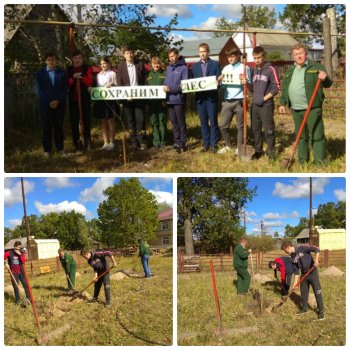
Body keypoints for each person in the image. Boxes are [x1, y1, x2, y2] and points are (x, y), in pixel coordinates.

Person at [279, 43, 332, 164]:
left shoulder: (316, 67)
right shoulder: (290, 71)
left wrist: (325, 78)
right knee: (301, 136)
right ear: (293, 56)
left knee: (316, 135)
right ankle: (302, 160)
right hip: (296, 109)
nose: (299, 56)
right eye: (296, 54)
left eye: (301, 53)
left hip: (312, 107)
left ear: (306, 53)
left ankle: (320, 161)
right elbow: (285, 88)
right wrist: (283, 103)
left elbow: (328, 84)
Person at [248, 46, 280, 160]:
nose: (257, 60)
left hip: (266, 105)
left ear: (264, 56)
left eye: (259, 57)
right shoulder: (253, 70)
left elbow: (276, 88)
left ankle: (271, 153)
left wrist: (264, 98)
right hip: (254, 105)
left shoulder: (271, 69)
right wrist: (245, 83)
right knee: (255, 130)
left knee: (269, 130)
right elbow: (252, 89)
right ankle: (258, 151)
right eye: (255, 58)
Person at [217, 48, 251, 155]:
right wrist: (219, 81)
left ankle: (239, 147)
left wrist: (244, 81)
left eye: (232, 56)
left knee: (240, 126)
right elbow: (223, 86)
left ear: (238, 56)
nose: (230, 58)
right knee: (223, 125)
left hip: (240, 100)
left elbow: (249, 83)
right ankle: (228, 145)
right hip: (227, 101)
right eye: (228, 56)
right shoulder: (226, 68)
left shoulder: (245, 67)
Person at [35, 52, 68, 157]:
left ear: (56, 61)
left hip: (59, 105)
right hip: (45, 105)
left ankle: (60, 149)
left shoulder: (61, 73)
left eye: (53, 59)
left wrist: (58, 101)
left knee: (59, 127)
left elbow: (65, 89)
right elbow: (39, 90)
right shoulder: (40, 73)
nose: (51, 62)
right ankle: (47, 150)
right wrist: (49, 102)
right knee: (46, 128)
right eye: (49, 59)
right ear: (45, 61)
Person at [281, 241, 324, 320]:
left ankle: (321, 311)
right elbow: (296, 271)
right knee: (304, 292)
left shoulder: (302, 247)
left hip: (312, 272)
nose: (285, 252)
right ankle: (304, 308)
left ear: (288, 247)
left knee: (317, 291)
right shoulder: (292, 257)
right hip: (304, 274)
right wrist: (295, 283)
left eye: (285, 250)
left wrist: (316, 260)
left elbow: (317, 249)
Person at [191, 43, 221, 152]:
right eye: (200, 52)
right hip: (200, 98)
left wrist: (218, 82)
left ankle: (214, 144)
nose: (202, 54)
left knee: (213, 121)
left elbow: (219, 79)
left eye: (204, 51)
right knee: (203, 122)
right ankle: (206, 144)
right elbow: (191, 82)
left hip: (211, 97)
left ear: (208, 52)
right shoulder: (194, 66)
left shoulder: (215, 64)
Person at [117, 46, 147, 151]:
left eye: (131, 53)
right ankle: (134, 143)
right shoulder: (120, 68)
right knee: (130, 122)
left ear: (133, 54)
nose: (129, 55)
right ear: (124, 55)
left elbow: (144, 81)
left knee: (141, 120)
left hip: (139, 97)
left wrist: (145, 96)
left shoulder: (140, 65)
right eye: (127, 53)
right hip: (127, 99)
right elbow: (119, 84)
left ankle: (142, 141)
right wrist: (125, 97)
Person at [163, 48, 189, 153]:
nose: (171, 58)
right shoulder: (168, 68)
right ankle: (176, 142)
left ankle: (183, 143)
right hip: (169, 100)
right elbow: (166, 82)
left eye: (173, 56)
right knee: (174, 122)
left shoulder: (184, 68)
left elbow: (185, 85)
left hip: (179, 100)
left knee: (181, 122)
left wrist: (171, 89)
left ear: (177, 55)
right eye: (169, 57)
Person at [67, 50, 93, 152]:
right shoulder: (68, 69)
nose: (78, 60)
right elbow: (67, 84)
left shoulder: (87, 68)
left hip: (84, 99)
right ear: (72, 59)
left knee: (86, 121)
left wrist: (81, 77)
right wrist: (73, 78)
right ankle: (76, 144)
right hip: (73, 100)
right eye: (75, 58)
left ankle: (88, 143)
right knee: (74, 122)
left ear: (82, 59)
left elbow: (89, 81)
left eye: (80, 58)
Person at [93, 56, 119, 151]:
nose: (103, 65)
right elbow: (97, 87)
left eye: (105, 63)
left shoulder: (113, 73)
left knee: (110, 121)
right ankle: (105, 142)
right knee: (103, 121)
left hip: (111, 99)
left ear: (109, 64)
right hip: (101, 100)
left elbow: (117, 86)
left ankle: (112, 142)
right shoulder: (98, 75)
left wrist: (112, 85)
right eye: (102, 64)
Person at [147, 56, 167, 149]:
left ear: (160, 64)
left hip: (161, 103)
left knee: (162, 121)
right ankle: (156, 141)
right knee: (154, 122)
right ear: (152, 64)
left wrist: (165, 101)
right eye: (154, 64)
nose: (156, 65)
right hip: (152, 103)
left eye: (158, 63)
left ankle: (163, 141)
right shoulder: (149, 74)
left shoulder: (165, 73)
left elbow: (167, 87)